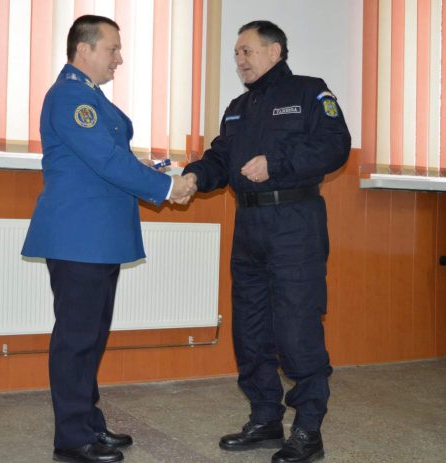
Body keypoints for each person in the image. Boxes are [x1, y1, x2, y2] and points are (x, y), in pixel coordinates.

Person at [21, 15, 196, 463]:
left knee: (92, 337)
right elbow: (105, 160)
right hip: (80, 236)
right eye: (112, 49)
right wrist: (167, 187)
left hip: (98, 237)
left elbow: (111, 157)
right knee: (76, 338)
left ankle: (88, 423)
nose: (119, 58)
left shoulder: (90, 97)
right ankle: (71, 438)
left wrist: (149, 171)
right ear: (84, 50)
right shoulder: (70, 96)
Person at [181, 20, 351, 463]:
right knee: (251, 329)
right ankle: (265, 419)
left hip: (294, 224)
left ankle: (308, 430)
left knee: (297, 329)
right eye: (236, 53)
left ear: (275, 52)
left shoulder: (310, 93)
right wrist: (195, 176)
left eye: (247, 51)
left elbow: (335, 145)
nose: (240, 60)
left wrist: (276, 162)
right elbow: (221, 158)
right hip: (249, 227)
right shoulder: (238, 108)